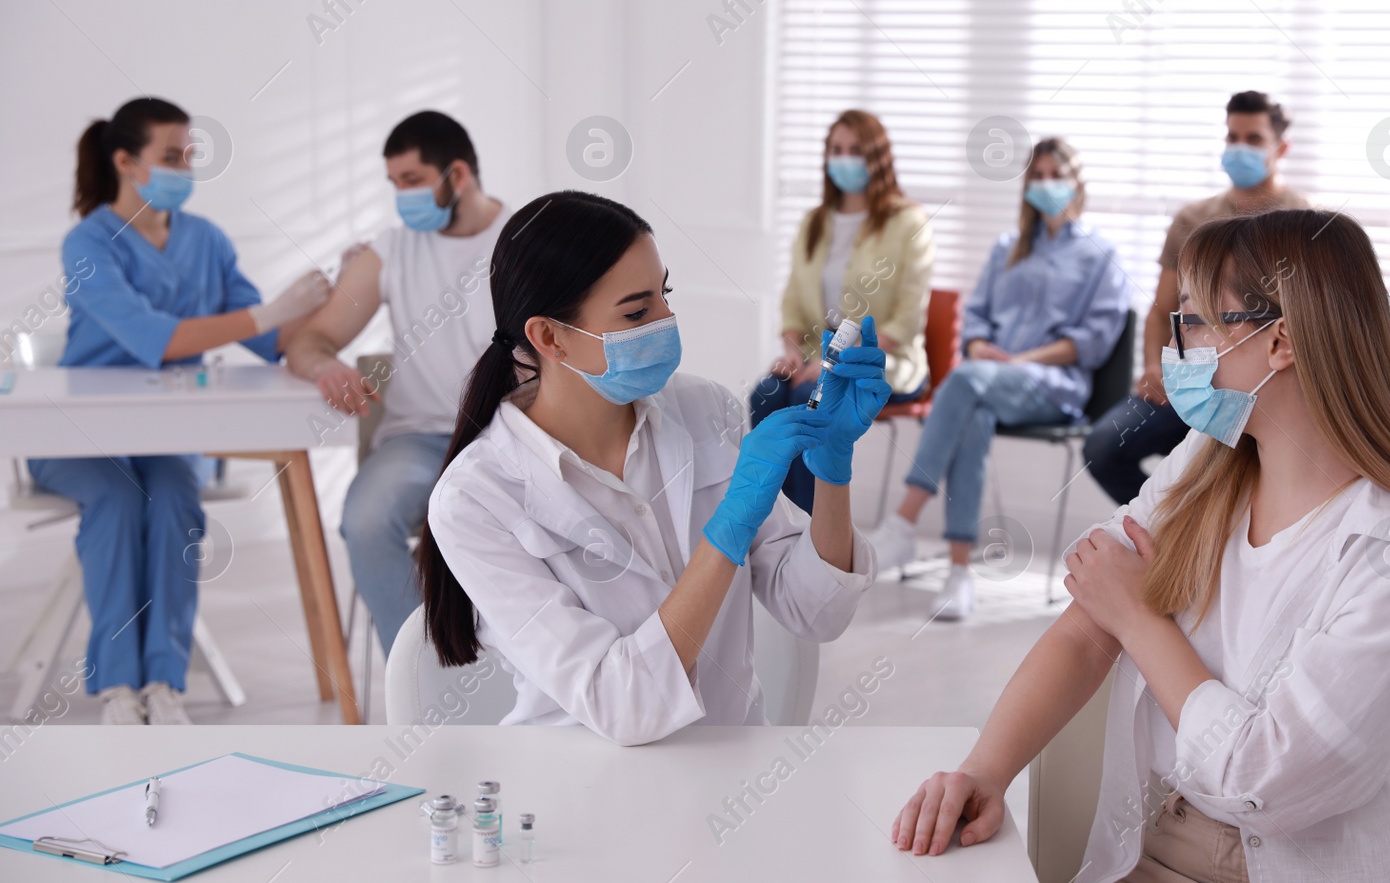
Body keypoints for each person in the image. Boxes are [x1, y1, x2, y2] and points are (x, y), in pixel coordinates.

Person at [890, 208, 1390, 882]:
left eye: (1197, 322)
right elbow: (1087, 627)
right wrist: (984, 770)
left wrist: (1138, 618)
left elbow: (1265, 780)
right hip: (1161, 842)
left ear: (1281, 341)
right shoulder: (1204, 463)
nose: (1177, 350)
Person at [418, 191, 888, 744]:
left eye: (664, 295)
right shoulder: (475, 498)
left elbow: (815, 612)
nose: (667, 322)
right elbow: (625, 705)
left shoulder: (706, 410)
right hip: (580, 784)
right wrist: (729, 526)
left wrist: (833, 470)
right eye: (637, 312)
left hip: (730, 771)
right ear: (549, 337)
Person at [29, 98, 332, 724]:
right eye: (171, 156)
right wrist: (268, 312)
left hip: (168, 435)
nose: (184, 168)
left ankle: (163, 683)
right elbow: (159, 339)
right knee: (116, 502)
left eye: (189, 156)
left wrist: (334, 295)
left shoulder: (205, 241)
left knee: (172, 502)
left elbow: (270, 340)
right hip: (77, 439)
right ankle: (117, 687)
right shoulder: (88, 244)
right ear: (125, 162)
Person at [864, 139, 1129, 620]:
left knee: (967, 384)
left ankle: (904, 521)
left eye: (1056, 174)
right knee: (975, 410)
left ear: (1076, 184)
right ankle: (960, 573)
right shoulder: (1008, 248)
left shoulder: (1100, 255)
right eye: (1038, 176)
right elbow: (978, 317)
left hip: (1053, 386)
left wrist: (1022, 359)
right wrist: (979, 347)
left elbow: (1094, 339)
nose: (1046, 184)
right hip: (986, 382)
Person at [284, 110, 509, 655]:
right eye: (394, 184)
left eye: (411, 181)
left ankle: (527, 678)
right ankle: (424, 676)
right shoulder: (393, 249)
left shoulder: (523, 238)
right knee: (364, 520)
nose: (401, 197)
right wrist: (326, 365)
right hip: (420, 441)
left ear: (457, 175)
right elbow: (309, 340)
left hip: (510, 436)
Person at [1084, 91, 1308, 505]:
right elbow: (1161, 310)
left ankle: (1204, 533)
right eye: (1232, 137)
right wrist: (1155, 366)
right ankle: (1174, 529)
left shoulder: (1299, 222)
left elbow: (1301, 323)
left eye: (1253, 139)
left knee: (1221, 466)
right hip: (1186, 381)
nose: (1239, 148)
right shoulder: (1191, 220)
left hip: (1254, 390)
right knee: (1102, 448)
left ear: (1282, 148)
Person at [752, 109, 934, 513]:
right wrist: (794, 351)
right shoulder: (813, 223)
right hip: (815, 356)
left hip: (882, 358)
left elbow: (904, 321)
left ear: (876, 157)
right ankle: (767, 519)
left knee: (808, 396)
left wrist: (833, 362)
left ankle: (808, 531)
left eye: (855, 150)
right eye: (836, 149)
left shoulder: (908, 223)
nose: (845, 159)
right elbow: (794, 306)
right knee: (766, 394)